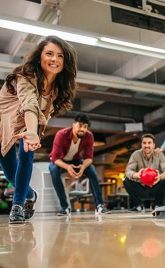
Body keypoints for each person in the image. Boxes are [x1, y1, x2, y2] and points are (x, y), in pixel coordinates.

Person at [0, 35, 77, 224]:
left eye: (60, 56)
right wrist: (33, 131)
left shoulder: (57, 89)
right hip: (4, 122)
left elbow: (43, 112)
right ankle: (30, 194)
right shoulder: (24, 77)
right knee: (10, 171)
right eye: (49, 54)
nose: (54, 59)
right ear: (39, 57)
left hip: (29, 124)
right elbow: (29, 104)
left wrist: (33, 132)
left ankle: (17, 206)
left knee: (27, 153)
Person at [49, 113, 111, 216]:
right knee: (54, 170)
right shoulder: (61, 134)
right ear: (74, 125)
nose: (82, 129)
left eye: (85, 127)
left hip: (76, 160)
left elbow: (89, 158)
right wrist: (67, 167)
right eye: (80, 125)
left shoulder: (89, 136)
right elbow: (55, 159)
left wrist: (83, 167)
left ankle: (100, 206)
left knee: (91, 169)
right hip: (60, 161)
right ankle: (65, 207)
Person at [124, 133, 165, 212]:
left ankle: (156, 204)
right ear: (141, 144)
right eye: (144, 143)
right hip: (140, 188)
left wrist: (159, 177)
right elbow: (128, 171)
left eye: (149, 143)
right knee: (126, 180)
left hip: (154, 187)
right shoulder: (136, 154)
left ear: (154, 145)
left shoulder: (159, 154)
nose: (146, 145)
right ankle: (138, 205)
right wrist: (137, 175)